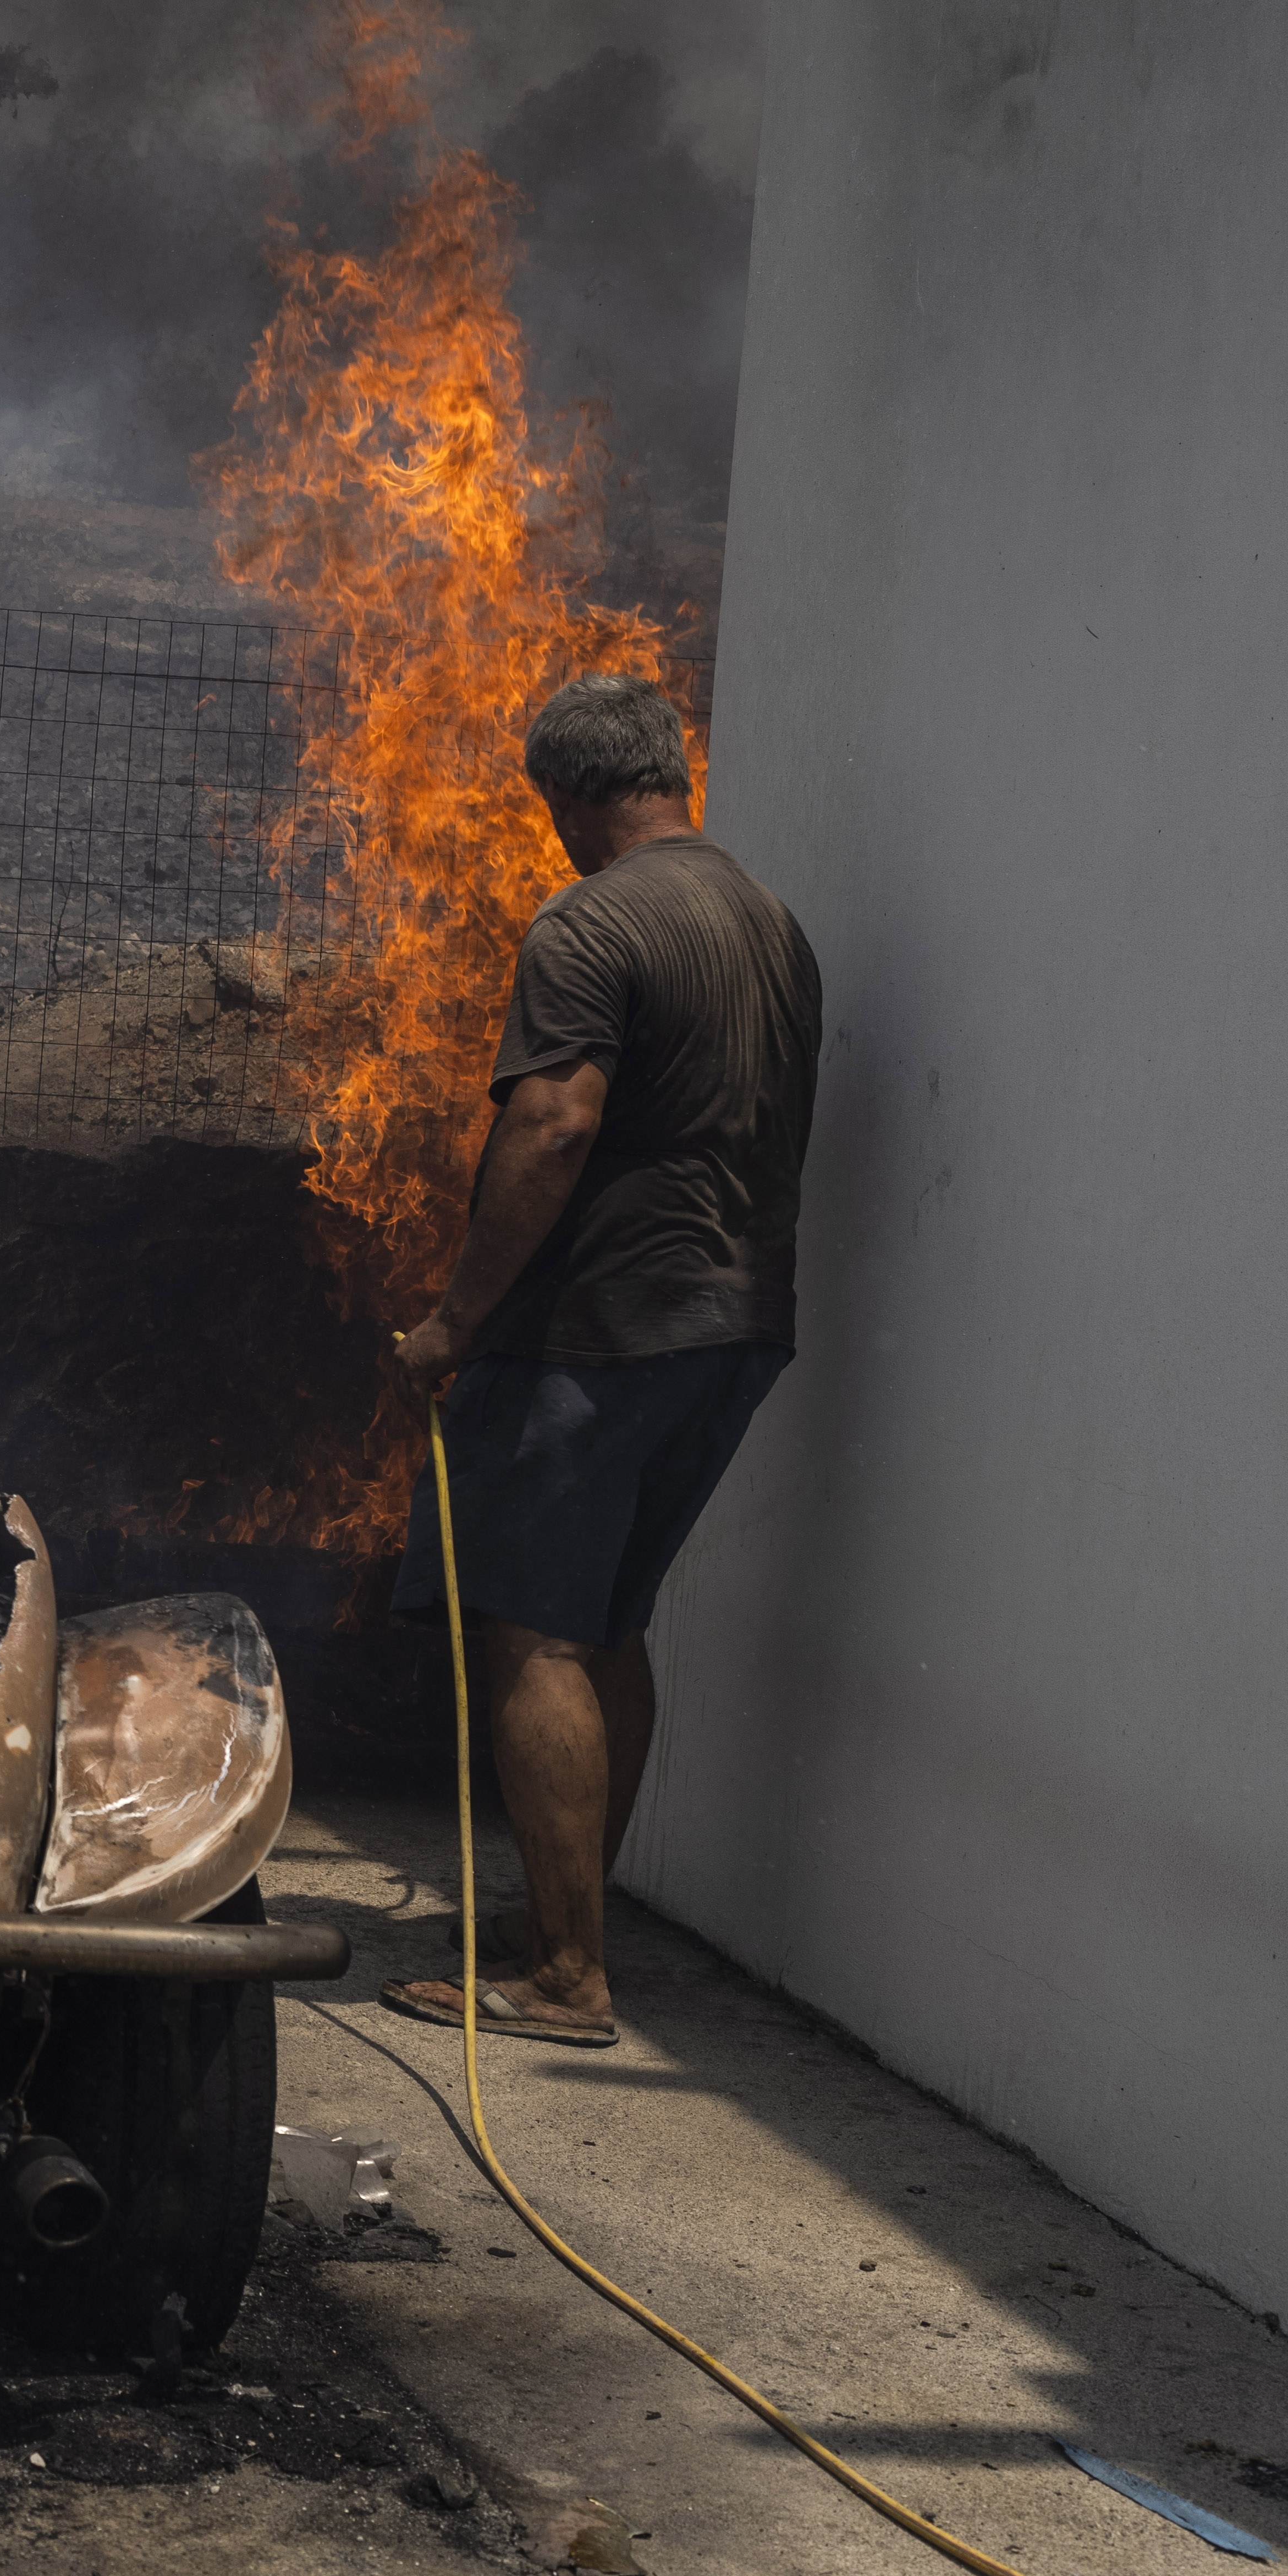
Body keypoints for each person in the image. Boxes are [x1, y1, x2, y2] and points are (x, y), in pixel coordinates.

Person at [381, 672, 819, 2048]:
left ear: (567, 795)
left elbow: (554, 1124)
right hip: (733, 1325)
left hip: (599, 1331)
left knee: (532, 1630)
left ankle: (567, 1975)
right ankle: (562, 1922)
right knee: (607, 1624)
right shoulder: (770, 922)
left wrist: (455, 1320)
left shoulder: (592, 920)